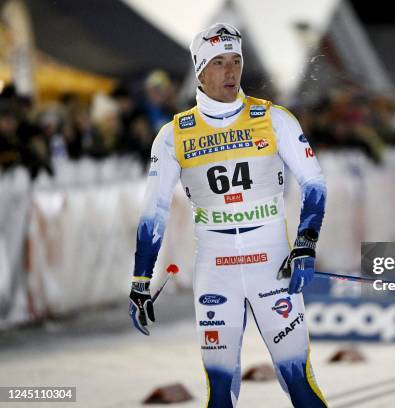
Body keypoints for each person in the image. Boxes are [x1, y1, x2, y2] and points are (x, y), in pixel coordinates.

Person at [128, 23, 328, 407]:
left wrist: (305, 243)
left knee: (298, 381)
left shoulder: (273, 119)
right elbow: (153, 211)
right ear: (200, 71)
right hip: (216, 269)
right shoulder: (174, 135)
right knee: (219, 391)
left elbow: (315, 183)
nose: (230, 71)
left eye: (235, 60)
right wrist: (140, 279)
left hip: (271, 265)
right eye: (218, 63)